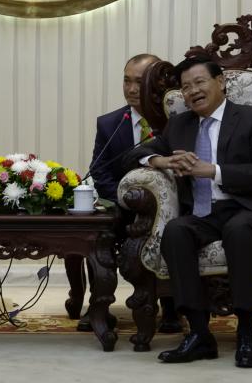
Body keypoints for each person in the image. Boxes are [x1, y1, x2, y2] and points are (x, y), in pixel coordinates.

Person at [124, 56, 252, 369]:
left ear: (220, 82)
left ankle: (246, 332)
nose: (192, 92)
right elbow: (135, 155)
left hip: (248, 207)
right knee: (176, 231)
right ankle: (200, 334)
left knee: (239, 230)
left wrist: (212, 171)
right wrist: (158, 162)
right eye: (186, 87)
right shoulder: (180, 124)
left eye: (199, 82)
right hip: (205, 214)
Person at [75, 53, 180, 333]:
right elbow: (100, 173)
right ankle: (98, 305)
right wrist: (127, 201)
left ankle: (171, 308)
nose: (132, 89)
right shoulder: (109, 124)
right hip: (124, 206)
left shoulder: (178, 120)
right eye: (127, 81)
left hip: (171, 206)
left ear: (158, 85)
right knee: (98, 232)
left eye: (140, 82)